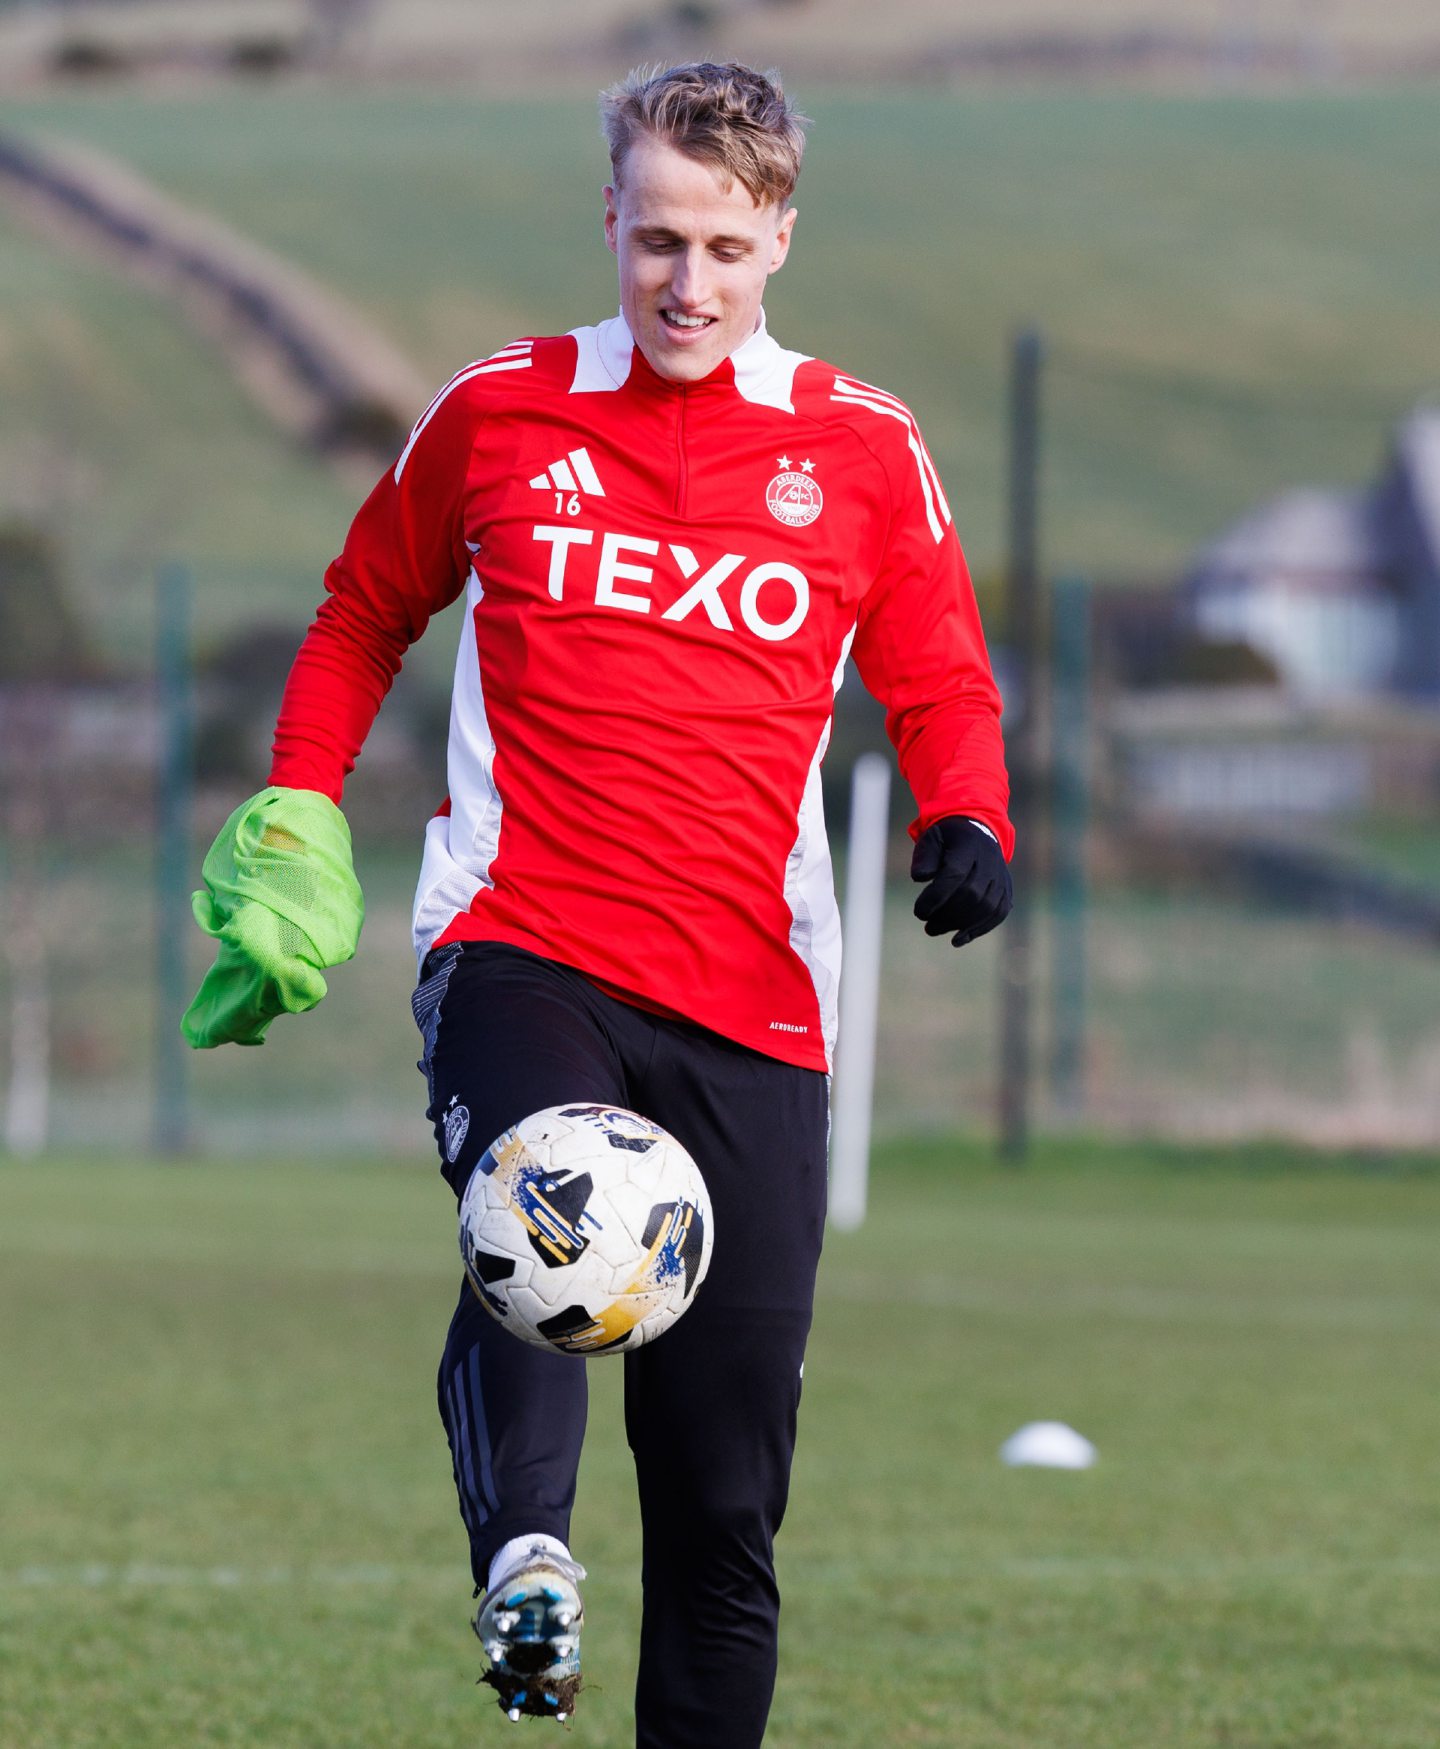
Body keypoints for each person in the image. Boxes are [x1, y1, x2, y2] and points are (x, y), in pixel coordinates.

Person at [183, 61, 1013, 1746]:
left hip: (757, 997)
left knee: (722, 1515)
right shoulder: (502, 410)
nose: (685, 283)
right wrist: (294, 796)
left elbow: (943, 678)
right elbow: (361, 611)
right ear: (610, 224)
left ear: (779, 232)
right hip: (522, 934)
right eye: (653, 241)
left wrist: (969, 815)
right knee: (538, 1208)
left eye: (719, 243)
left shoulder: (863, 449)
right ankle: (530, 1557)